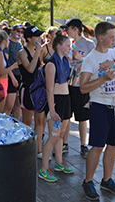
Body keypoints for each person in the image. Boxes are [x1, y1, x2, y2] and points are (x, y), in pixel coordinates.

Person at [80, 21, 115, 200]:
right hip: (100, 106)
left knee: (113, 144)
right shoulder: (90, 59)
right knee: (98, 145)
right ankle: (88, 181)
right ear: (101, 38)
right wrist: (102, 79)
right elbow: (83, 88)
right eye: (111, 36)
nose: (114, 39)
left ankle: (107, 180)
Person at [39, 31, 74, 182]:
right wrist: (52, 111)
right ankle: (44, 169)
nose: (70, 48)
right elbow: (49, 89)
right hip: (56, 102)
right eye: (67, 46)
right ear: (59, 46)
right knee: (53, 136)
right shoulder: (51, 64)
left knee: (61, 134)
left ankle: (59, 163)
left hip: (66, 99)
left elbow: (69, 82)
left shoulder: (65, 61)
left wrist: (77, 71)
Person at [63, 18, 96, 158]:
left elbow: (95, 63)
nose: (66, 31)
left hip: (81, 84)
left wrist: (80, 58)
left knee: (82, 117)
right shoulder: (68, 43)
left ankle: (84, 145)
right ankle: (64, 144)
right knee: (66, 116)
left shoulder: (89, 44)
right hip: (67, 83)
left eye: (68, 28)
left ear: (75, 28)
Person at [17, 25, 46, 157]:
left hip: (38, 89)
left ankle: (38, 149)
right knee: (27, 121)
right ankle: (24, 147)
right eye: (37, 36)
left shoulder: (36, 50)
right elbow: (29, 69)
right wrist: (38, 53)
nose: (39, 38)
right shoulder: (22, 53)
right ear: (29, 38)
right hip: (27, 89)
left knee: (40, 121)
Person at [0, 28, 18, 113]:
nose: (9, 42)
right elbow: (1, 72)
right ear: (4, 41)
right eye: (8, 40)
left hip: (0, 83)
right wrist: (13, 66)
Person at [3, 25, 23, 119]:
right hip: (11, 75)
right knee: (9, 105)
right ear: (13, 31)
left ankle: (16, 125)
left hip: (19, 75)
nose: (19, 34)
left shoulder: (20, 44)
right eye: (18, 31)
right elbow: (6, 63)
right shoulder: (8, 43)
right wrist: (13, 78)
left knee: (18, 104)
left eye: (21, 32)